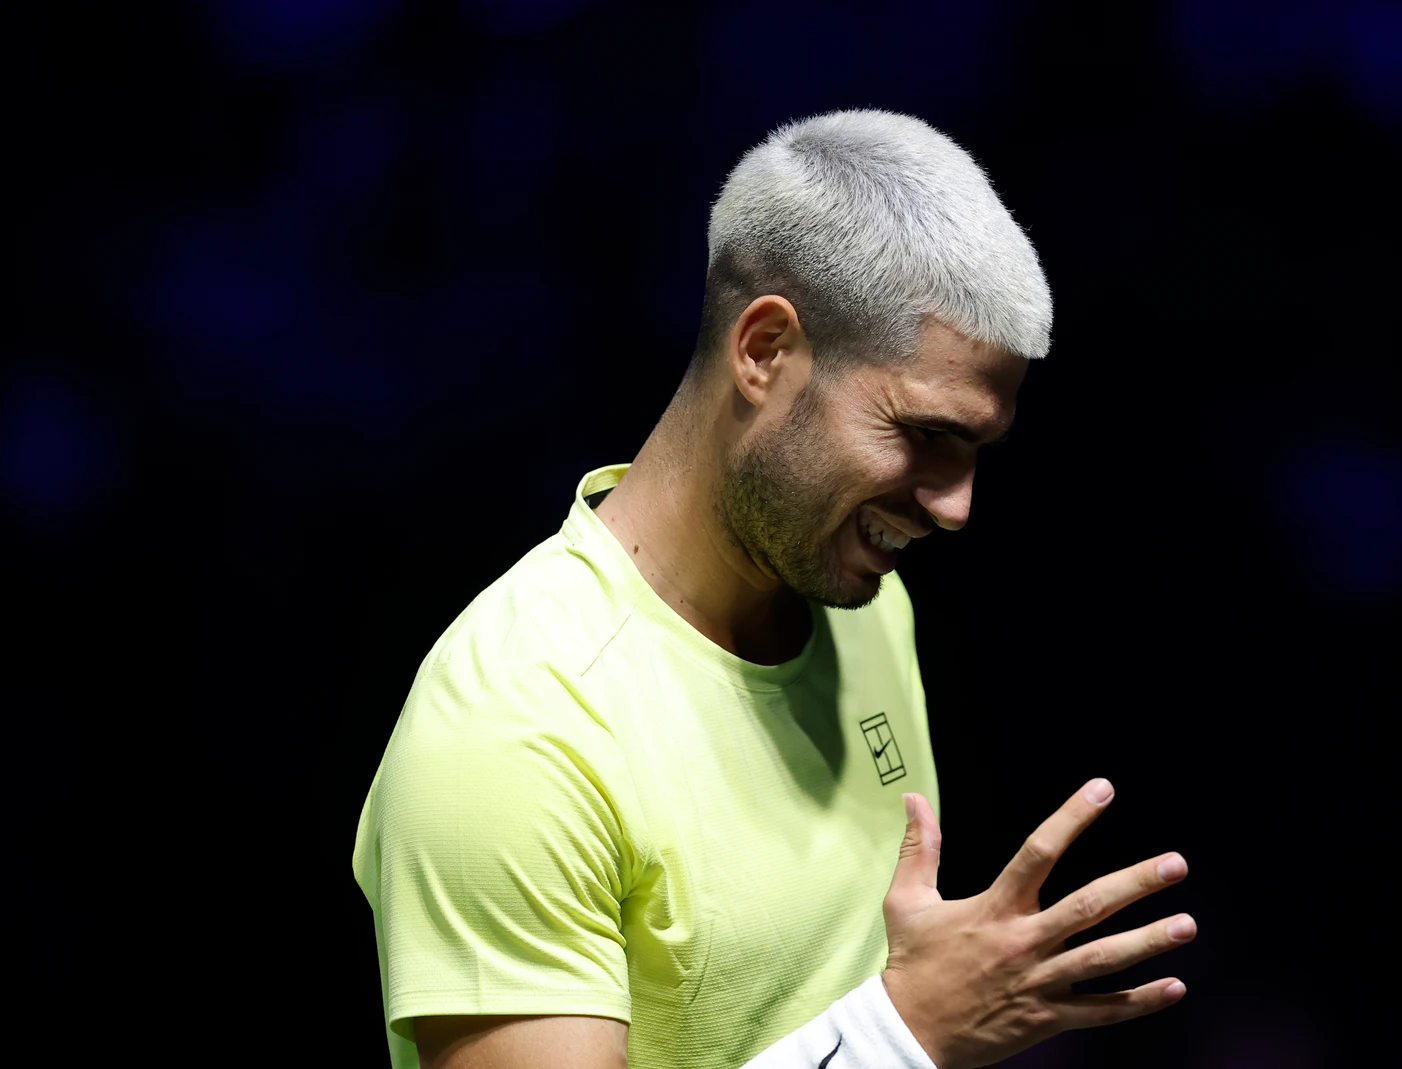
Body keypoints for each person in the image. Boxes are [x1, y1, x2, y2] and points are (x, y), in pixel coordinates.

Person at [352, 109, 1194, 1069]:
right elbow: (892, 1029)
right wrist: (902, 1032)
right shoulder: (517, 725)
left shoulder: (864, 602)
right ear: (763, 351)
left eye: (978, 451)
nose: (958, 507)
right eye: (923, 434)